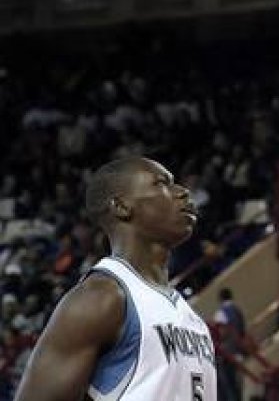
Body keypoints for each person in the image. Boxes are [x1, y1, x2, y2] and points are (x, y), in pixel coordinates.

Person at [15, 156, 217, 401]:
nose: (183, 192)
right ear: (121, 206)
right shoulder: (102, 297)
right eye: (162, 183)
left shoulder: (188, 315)